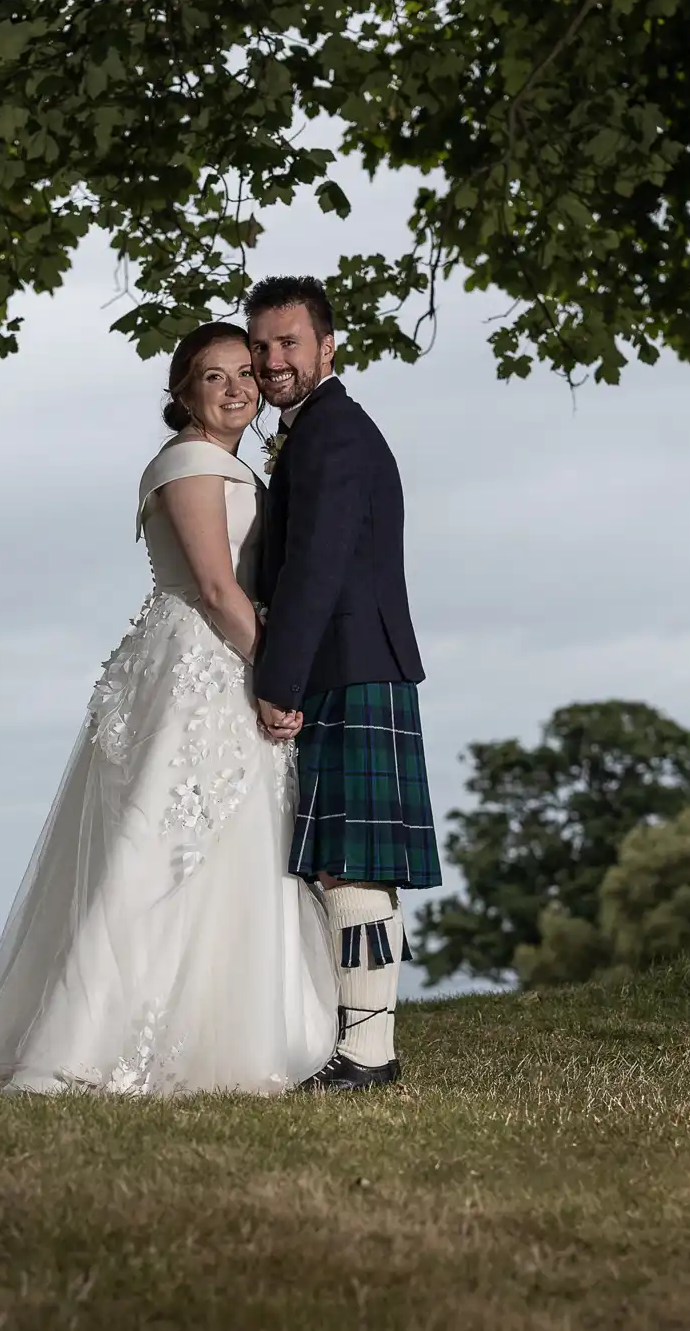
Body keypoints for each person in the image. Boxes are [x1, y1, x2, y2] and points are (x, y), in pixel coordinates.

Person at [0, 322, 335, 1095]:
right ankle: (91, 1040)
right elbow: (219, 590)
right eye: (213, 377)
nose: (235, 389)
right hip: (201, 664)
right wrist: (278, 675)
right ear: (182, 393)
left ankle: (219, 1024)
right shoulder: (190, 464)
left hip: (213, 657)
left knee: (219, 844)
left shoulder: (229, 465)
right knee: (159, 847)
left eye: (244, 375)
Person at [247, 275, 442, 1094]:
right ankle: (361, 1045)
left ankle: (366, 1055)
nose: (271, 360)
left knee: (351, 863)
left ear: (328, 347)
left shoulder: (331, 434)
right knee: (344, 860)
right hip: (353, 660)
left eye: (288, 343)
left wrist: (277, 679)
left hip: (345, 662)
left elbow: (315, 569)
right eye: (260, 346)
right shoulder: (318, 430)